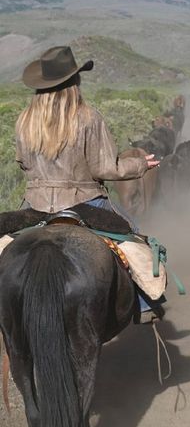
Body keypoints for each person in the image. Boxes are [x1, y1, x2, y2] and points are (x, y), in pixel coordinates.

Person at [16, 45, 161, 320]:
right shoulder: (88, 116)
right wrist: (141, 164)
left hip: (35, 205)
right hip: (84, 201)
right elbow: (105, 167)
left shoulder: (25, 121)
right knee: (133, 237)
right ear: (75, 81)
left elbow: (24, 164)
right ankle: (144, 305)